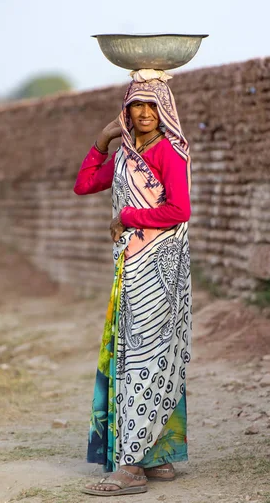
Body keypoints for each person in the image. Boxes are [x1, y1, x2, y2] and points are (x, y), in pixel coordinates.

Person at [74, 71, 192, 496]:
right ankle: (156, 456)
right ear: (126, 110)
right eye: (135, 106)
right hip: (131, 266)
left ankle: (131, 466)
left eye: (151, 106)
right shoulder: (127, 155)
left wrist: (128, 216)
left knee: (144, 356)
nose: (143, 114)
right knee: (136, 353)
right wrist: (103, 140)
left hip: (159, 268)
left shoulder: (168, 153)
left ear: (165, 111)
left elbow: (179, 210)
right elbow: (84, 184)